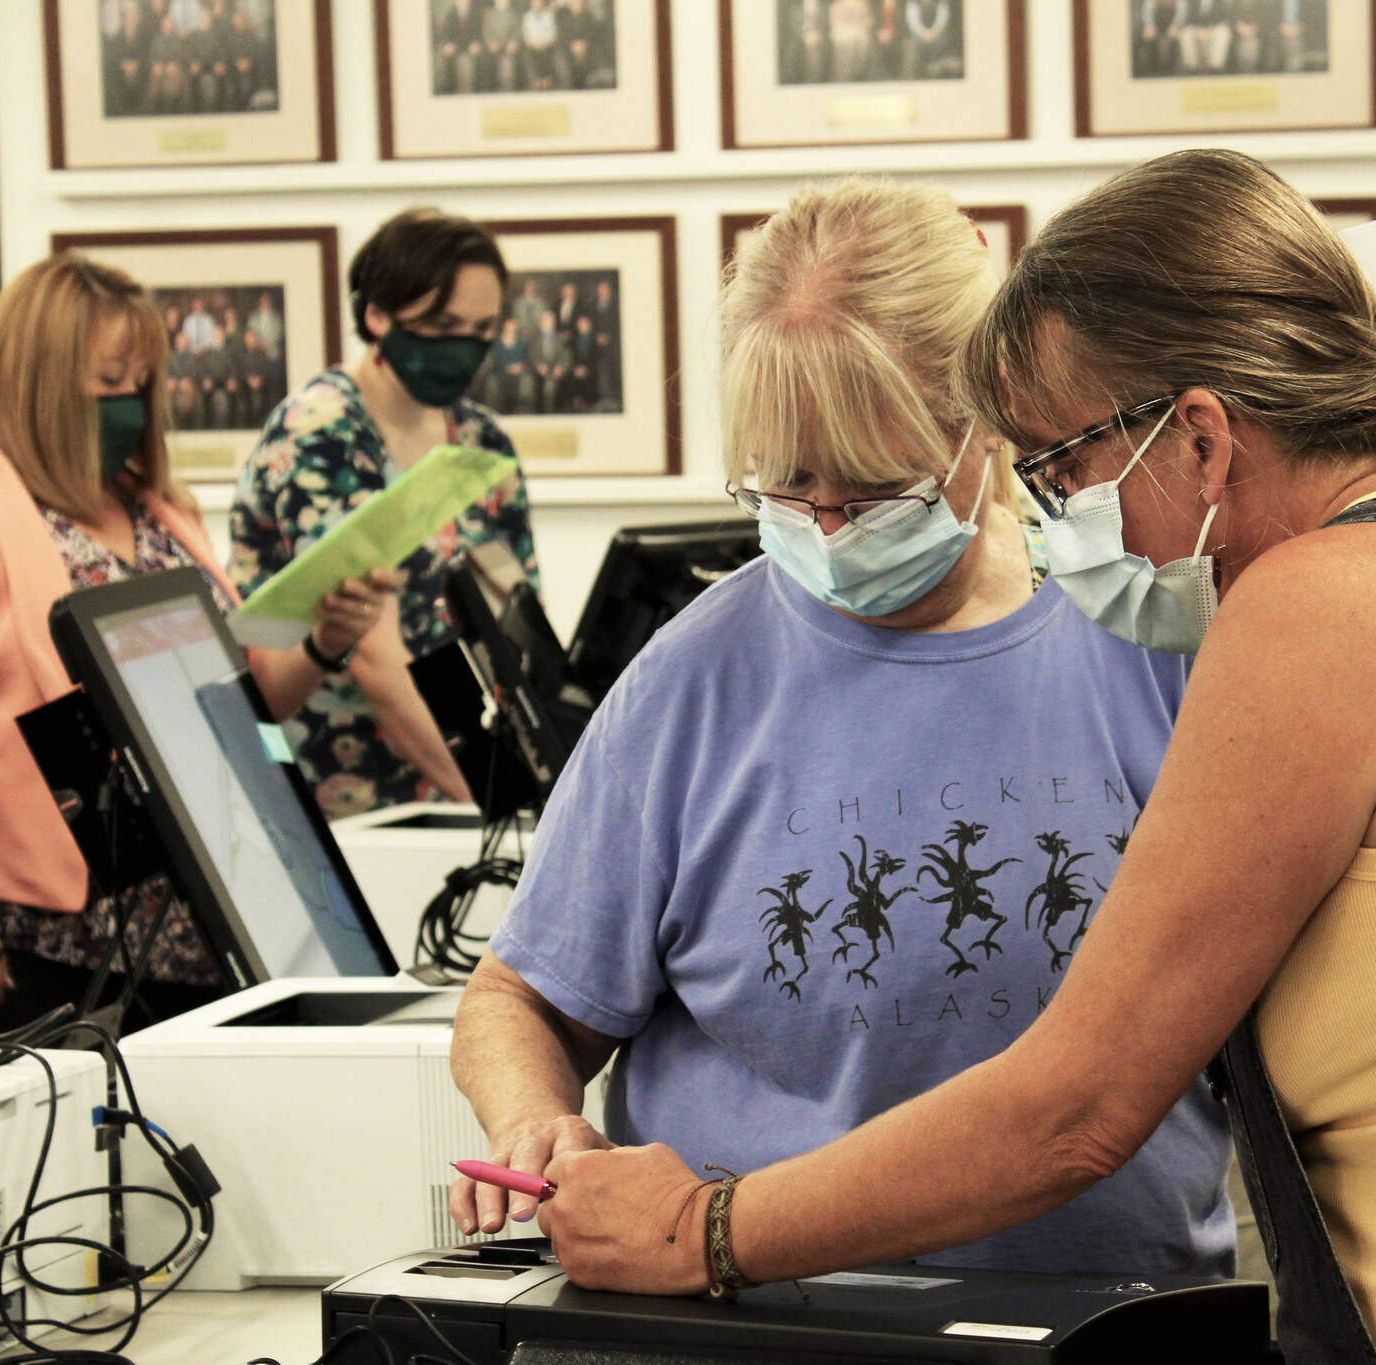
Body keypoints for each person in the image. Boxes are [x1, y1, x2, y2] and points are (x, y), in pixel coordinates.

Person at [528, 150, 1376, 1363]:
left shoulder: (1314, 607)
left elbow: (1076, 1112)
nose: (1059, 524)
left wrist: (703, 1228)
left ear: (1207, 436)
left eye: (1064, 470)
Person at [445, 180, 1235, 1280]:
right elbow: (520, 994)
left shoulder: (1148, 639)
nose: (824, 529)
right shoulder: (695, 680)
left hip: (1100, 1315)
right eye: (785, 485)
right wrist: (534, 1117)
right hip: (751, 1317)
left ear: (982, 428)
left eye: (871, 490)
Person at [0, 253, 394, 1038]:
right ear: (39, 378)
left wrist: (326, 644)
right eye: (111, 378)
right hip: (44, 925)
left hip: (197, 909)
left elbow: (243, 705)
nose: (131, 401)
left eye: (143, 380)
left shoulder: (157, 509)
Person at [228, 208, 539, 820]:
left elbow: (518, 618)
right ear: (376, 315)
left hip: (463, 770)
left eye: (482, 329)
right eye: (443, 324)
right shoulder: (323, 434)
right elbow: (375, 658)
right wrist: (502, 805)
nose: (465, 348)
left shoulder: (479, 440)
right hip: (354, 793)